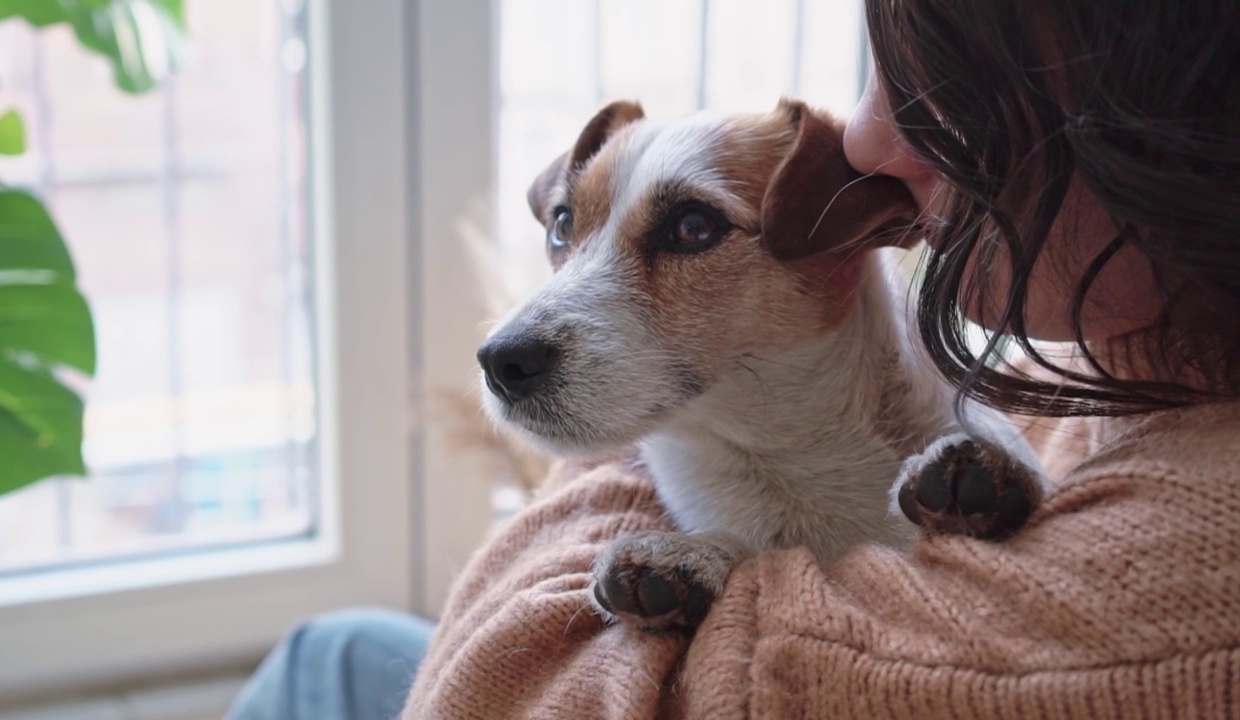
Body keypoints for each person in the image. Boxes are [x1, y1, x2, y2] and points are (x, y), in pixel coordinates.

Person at [231, 0, 1240, 717]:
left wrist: (621, 451)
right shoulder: (1117, 354)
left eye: (950, 82)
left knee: (332, 665)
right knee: (333, 648)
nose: (872, 133)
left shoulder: (1179, 600)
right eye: (564, 230)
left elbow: (485, 694)